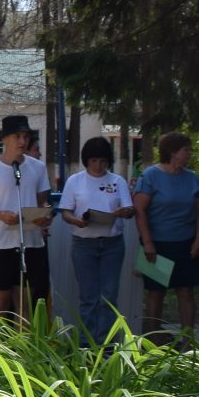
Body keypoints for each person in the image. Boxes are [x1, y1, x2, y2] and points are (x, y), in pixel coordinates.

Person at [0, 114, 52, 319]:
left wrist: (45, 215)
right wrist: (1, 215)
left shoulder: (37, 167)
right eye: (17, 137)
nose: (22, 142)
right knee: (0, 304)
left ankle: (23, 350)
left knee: (25, 306)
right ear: (4, 138)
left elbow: (44, 202)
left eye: (26, 137)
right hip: (0, 245)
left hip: (31, 243)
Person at [58, 135, 134, 344]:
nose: (98, 165)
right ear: (86, 161)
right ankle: (87, 345)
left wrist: (123, 212)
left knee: (108, 297)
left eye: (102, 161)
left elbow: (129, 210)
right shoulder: (75, 181)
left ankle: (107, 345)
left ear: (108, 161)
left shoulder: (117, 181)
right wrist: (77, 221)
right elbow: (65, 213)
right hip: (84, 244)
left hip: (112, 243)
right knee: (88, 298)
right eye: (94, 161)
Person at [133, 131, 199, 341]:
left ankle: (188, 340)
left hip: (186, 243)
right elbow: (140, 211)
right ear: (173, 152)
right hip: (157, 244)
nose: (189, 153)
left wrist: (198, 240)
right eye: (186, 150)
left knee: (186, 291)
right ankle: (152, 339)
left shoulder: (191, 178)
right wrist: (147, 242)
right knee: (156, 293)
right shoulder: (151, 176)